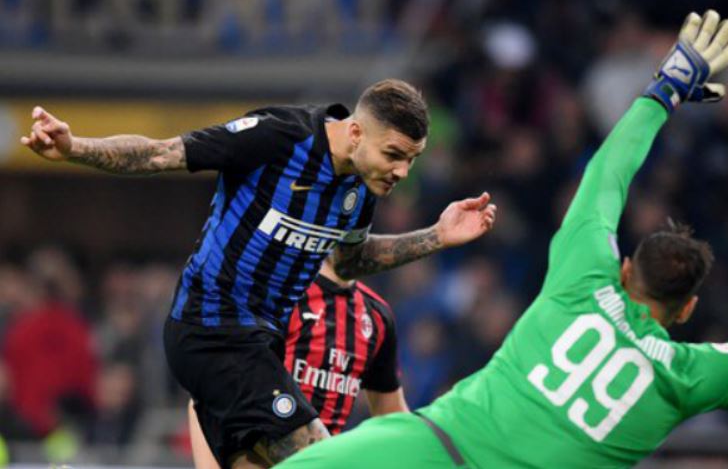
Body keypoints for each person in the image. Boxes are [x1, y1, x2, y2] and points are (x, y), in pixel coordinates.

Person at [276, 11, 728, 468]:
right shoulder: (687, 377)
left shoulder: (581, 279)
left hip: (418, 448)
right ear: (687, 310)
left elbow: (606, 178)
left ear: (622, 268)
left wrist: (666, 89)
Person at [20, 79, 498, 468]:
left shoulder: (360, 189)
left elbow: (350, 262)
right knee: (321, 459)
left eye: (412, 159)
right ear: (355, 132)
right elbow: (160, 153)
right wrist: (75, 147)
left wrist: (437, 236)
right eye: (394, 154)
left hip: (261, 346)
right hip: (211, 328)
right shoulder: (279, 137)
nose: (402, 172)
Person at [189, 260, 406, 469]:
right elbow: (209, 394)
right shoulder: (277, 297)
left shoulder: (377, 315)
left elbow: (391, 417)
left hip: (327, 461)